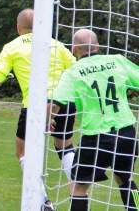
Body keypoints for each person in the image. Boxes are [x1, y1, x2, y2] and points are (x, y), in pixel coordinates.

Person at [51, 29, 139, 211]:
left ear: (74, 49)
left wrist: (48, 119)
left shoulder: (73, 72)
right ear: (98, 46)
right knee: (125, 179)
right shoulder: (117, 61)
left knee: (79, 186)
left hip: (95, 137)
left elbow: (56, 102)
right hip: (126, 132)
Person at [0, 9, 76, 190]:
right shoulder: (56, 45)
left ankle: (43, 200)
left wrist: (9, 73)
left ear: (18, 27)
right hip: (63, 103)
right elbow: (75, 69)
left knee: (22, 150)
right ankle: (78, 191)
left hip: (35, 105)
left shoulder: (12, 47)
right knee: (65, 146)